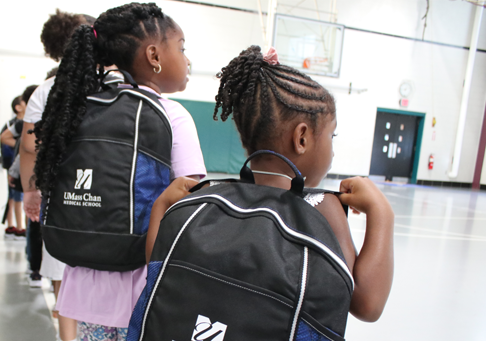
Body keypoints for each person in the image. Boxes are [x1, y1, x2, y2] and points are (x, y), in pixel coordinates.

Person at [147, 45, 394, 324]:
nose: (333, 151)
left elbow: (157, 266)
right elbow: (367, 305)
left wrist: (162, 205)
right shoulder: (322, 209)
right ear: (301, 138)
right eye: (331, 137)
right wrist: (381, 213)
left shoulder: (206, 198)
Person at [30, 3, 206, 341]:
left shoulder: (80, 107)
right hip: (141, 284)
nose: (186, 60)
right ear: (154, 56)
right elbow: (188, 206)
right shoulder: (173, 115)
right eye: (182, 48)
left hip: (84, 282)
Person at [20, 9, 95, 341]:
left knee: (61, 275)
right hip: (103, 196)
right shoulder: (112, 85)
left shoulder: (45, 91)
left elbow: (27, 146)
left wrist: (30, 191)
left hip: (59, 195)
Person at [0, 96, 26, 239]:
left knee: (16, 196)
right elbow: (4, 139)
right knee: (14, 197)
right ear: (18, 107)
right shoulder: (15, 125)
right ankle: (16, 226)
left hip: (16, 165)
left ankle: (13, 225)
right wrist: (20, 144)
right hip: (12, 165)